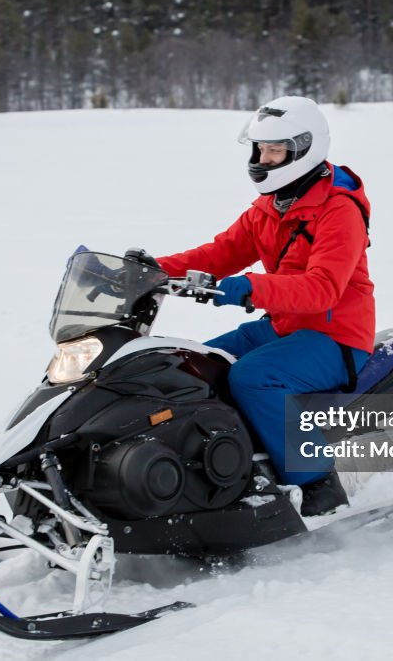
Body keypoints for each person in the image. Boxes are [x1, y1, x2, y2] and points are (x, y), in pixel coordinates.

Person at [154, 96, 375, 516]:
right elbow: (219, 253)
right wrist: (149, 269)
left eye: (275, 151)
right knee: (187, 367)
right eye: (260, 150)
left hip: (336, 336)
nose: (264, 159)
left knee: (253, 378)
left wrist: (252, 288)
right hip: (282, 327)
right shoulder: (271, 206)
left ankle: (317, 483)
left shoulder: (338, 210)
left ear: (304, 149)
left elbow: (323, 289)